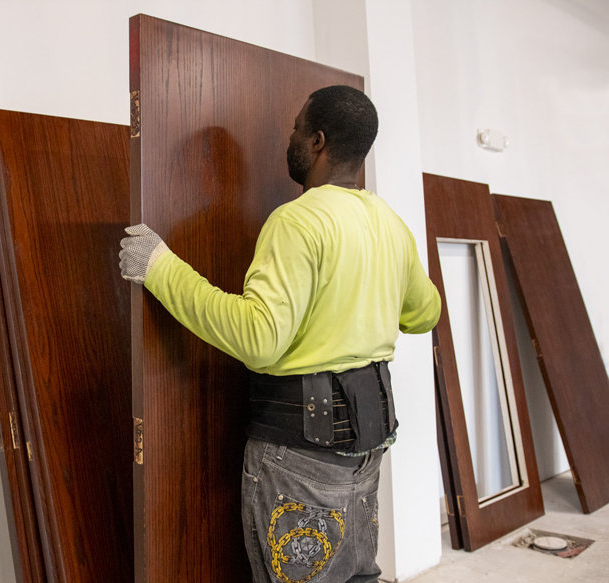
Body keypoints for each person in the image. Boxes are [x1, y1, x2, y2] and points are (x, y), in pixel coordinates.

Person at [118, 85, 441, 583]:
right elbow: (425, 314)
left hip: (301, 460)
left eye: (295, 127)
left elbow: (258, 339)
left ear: (317, 141)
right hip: (366, 454)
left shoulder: (297, 221)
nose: (288, 137)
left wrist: (160, 268)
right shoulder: (389, 223)